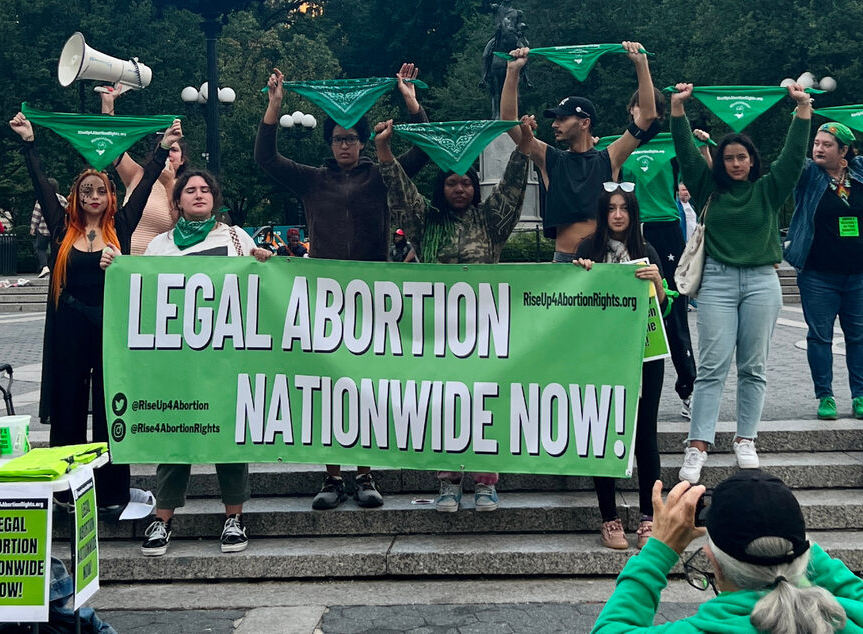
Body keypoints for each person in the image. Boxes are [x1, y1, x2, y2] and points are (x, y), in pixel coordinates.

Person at [255, 63, 430, 511]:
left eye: (352, 138)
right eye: (338, 139)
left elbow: (425, 153)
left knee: (368, 385)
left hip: (375, 297)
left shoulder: (381, 176)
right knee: (329, 385)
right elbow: (267, 159)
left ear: (363, 142)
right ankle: (332, 477)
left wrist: (411, 102)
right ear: (329, 144)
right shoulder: (313, 178)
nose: (345, 145)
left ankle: (366, 473)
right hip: (326, 297)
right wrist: (274, 108)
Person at [9, 110, 183, 514]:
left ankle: (111, 493)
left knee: (109, 409)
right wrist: (29, 143)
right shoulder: (60, 228)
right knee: (69, 406)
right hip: (69, 325)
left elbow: (142, 188)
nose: (93, 197)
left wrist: (161, 149)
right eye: (87, 190)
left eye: (100, 190)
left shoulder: (120, 226)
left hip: (109, 327)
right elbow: (39, 183)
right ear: (76, 196)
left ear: (109, 197)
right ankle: (66, 491)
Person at [101, 169, 273, 556]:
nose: (198, 195)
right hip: (176, 363)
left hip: (225, 360)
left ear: (215, 197)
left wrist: (263, 261)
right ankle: (162, 521)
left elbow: (261, 291)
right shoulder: (160, 245)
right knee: (174, 436)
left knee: (228, 440)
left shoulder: (235, 237)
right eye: (190, 190)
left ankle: (234, 518)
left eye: (205, 190)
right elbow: (140, 292)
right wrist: (116, 269)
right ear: (177, 201)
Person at [375, 115, 534, 512]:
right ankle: (448, 480)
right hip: (438, 331)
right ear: (441, 188)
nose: (460, 188)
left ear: (474, 188)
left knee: (486, 402)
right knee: (443, 403)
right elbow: (399, 191)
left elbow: (513, 191)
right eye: (452, 182)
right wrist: (383, 150)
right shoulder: (425, 223)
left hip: (484, 331)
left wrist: (524, 146)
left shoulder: (490, 222)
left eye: (466, 182)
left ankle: (485, 480)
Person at [670, 82, 812, 484]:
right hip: (715, 280)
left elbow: (792, 155)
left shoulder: (769, 189)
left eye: (742, 157)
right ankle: (698, 445)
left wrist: (802, 110)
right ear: (720, 162)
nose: (735, 163)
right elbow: (684, 150)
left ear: (752, 162)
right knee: (713, 367)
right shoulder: (706, 188)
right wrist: (677, 109)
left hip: (762, 282)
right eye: (729, 157)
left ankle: (746, 439)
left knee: (754, 367)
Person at [592, 472, 863, 633]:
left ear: (714, 563)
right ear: (803, 555)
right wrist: (789, 535)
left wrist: (659, 550)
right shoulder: (852, 620)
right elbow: (857, 594)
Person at [500, 42, 659, 261]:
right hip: (564, 262)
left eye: (563, 118)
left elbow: (648, 115)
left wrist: (641, 63)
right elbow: (508, 122)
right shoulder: (551, 159)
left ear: (585, 123)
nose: (555, 124)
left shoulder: (609, 158)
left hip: (602, 260)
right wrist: (513, 70)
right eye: (555, 119)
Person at [572, 183, 666, 549]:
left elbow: (665, 309)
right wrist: (581, 274)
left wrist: (658, 283)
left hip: (645, 356)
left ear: (633, 213)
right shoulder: (587, 249)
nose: (617, 215)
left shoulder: (648, 252)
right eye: (611, 208)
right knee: (603, 429)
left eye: (624, 208)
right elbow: (571, 305)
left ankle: (648, 517)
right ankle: (609, 518)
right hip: (600, 356)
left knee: (645, 435)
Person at [785, 122, 863, 421]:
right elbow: (791, 157)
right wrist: (801, 115)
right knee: (820, 337)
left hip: (861, 274)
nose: (818, 149)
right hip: (817, 275)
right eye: (816, 143)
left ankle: (861, 396)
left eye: (827, 145)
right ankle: (826, 397)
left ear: (844, 151)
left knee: (859, 337)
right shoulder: (809, 174)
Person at [622, 88, 696, 420]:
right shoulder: (620, 146)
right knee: (626, 311)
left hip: (666, 232)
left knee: (675, 313)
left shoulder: (672, 146)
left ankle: (688, 388)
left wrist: (701, 144)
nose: (644, 112)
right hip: (629, 231)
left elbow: (697, 171)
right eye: (639, 107)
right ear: (631, 110)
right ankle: (625, 388)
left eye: (651, 108)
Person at [100, 87, 189, 254]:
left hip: (156, 268)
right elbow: (113, 144)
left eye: (174, 150)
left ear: (182, 160)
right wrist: (108, 103)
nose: (168, 154)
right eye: (164, 148)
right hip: (125, 259)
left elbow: (184, 227)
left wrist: (169, 183)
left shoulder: (187, 189)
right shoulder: (137, 175)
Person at [30, 178, 64, 278]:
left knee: (41, 248)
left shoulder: (42, 199)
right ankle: (58, 269)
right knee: (57, 250)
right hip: (57, 229)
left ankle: (45, 266)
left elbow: (36, 214)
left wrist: (33, 227)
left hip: (43, 229)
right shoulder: (61, 199)